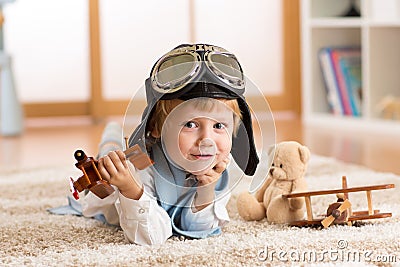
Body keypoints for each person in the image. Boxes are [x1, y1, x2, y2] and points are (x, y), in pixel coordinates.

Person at [80, 44, 260, 245]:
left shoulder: (217, 166)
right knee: (111, 153)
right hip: (116, 183)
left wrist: (206, 190)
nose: (207, 140)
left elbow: (199, 228)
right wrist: (131, 188)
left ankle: (112, 135)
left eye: (219, 125)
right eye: (191, 125)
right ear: (156, 128)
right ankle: (111, 134)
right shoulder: (141, 167)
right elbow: (152, 236)